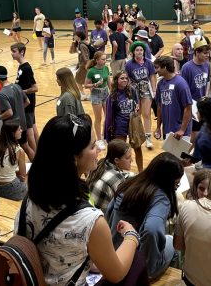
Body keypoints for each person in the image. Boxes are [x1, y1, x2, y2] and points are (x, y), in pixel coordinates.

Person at [13, 114, 138, 286]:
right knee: (136, 262)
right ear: (74, 158)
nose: (99, 151)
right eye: (93, 146)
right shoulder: (91, 221)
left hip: (31, 280)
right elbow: (116, 274)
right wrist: (131, 236)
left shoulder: (29, 200)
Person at [106, 152, 183, 280]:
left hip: (115, 254)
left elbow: (109, 210)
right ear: (167, 181)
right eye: (175, 184)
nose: (175, 188)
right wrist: (148, 268)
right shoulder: (161, 199)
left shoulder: (129, 183)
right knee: (172, 242)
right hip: (133, 263)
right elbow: (151, 230)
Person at [104, 70, 144, 172]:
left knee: (138, 149)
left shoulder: (132, 91)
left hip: (132, 125)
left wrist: (137, 110)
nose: (125, 80)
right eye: (122, 78)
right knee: (120, 152)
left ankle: (141, 172)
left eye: (126, 78)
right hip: (119, 126)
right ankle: (119, 173)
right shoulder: (112, 96)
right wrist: (107, 134)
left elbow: (137, 105)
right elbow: (108, 116)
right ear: (116, 80)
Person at [0, 65, 34, 161]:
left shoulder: (1, 93)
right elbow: (27, 101)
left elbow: (9, 113)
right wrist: (19, 109)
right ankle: (36, 166)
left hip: (12, 126)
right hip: (22, 123)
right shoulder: (17, 86)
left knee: (13, 149)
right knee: (26, 146)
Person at [125, 41, 157, 148]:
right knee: (137, 114)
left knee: (147, 114)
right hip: (134, 90)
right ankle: (137, 136)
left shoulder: (149, 62)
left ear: (144, 51)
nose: (139, 52)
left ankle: (148, 138)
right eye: (137, 50)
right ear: (133, 52)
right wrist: (129, 91)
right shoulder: (129, 64)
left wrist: (154, 89)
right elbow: (127, 78)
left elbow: (152, 76)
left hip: (146, 89)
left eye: (141, 50)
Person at [154, 55, 193, 140]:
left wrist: (182, 130)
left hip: (180, 132)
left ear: (164, 67)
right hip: (167, 130)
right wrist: (158, 128)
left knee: (181, 154)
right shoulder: (160, 84)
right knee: (168, 154)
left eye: (157, 68)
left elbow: (188, 107)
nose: (156, 71)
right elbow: (159, 106)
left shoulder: (181, 84)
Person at [88, 139, 133, 212]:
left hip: (89, 209)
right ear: (116, 160)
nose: (132, 160)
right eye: (128, 158)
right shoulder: (116, 178)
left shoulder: (101, 163)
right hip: (101, 217)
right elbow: (125, 203)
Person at [0, 119, 27, 201]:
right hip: (11, 188)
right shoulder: (19, 151)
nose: (21, 130)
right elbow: (23, 174)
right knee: (25, 184)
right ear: (13, 133)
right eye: (19, 129)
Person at [181, 39, 211, 139]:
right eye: (205, 53)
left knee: (199, 133)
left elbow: (207, 82)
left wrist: (205, 98)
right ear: (197, 52)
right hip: (191, 105)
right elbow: (183, 88)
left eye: (208, 53)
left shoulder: (207, 65)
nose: (207, 56)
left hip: (202, 104)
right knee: (191, 132)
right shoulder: (187, 67)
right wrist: (190, 106)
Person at [11, 42, 39, 146]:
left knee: (29, 130)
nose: (12, 54)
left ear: (22, 52)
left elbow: (35, 88)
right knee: (33, 125)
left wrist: (22, 92)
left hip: (28, 102)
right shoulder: (21, 66)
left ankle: (35, 155)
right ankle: (39, 150)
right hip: (25, 100)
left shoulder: (27, 68)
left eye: (14, 51)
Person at [85, 51, 110, 141]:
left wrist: (112, 92)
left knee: (108, 116)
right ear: (97, 60)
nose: (105, 61)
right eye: (103, 59)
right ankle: (99, 139)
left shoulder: (106, 68)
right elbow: (86, 85)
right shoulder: (91, 71)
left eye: (105, 59)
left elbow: (108, 80)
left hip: (106, 93)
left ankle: (105, 134)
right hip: (96, 94)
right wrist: (95, 84)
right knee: (98, 118)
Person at [72, 31, 91, 99]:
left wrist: (87, 66)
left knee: (77, 80)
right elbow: (73, 52)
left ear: (78, 36)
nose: (73, 36)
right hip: (83, 65)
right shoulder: (80, 43)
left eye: (75, 35)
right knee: (86, 80)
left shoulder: (82, 45)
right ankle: (86, 94)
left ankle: (83, 94)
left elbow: (86, 56)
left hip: (84, 66)